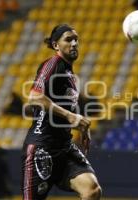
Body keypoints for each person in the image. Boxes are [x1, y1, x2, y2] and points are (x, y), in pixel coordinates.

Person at [22, 24, 101, 200]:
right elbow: (34, 97)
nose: (74, 43)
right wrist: (72, 116)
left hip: (64, 146)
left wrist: (80, 124)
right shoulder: (53, 64)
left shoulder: (69, 74)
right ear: (56, 45)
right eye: (68, 39)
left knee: (92, 190)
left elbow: (62, 111)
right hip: (42, 147)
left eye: (76, 40)